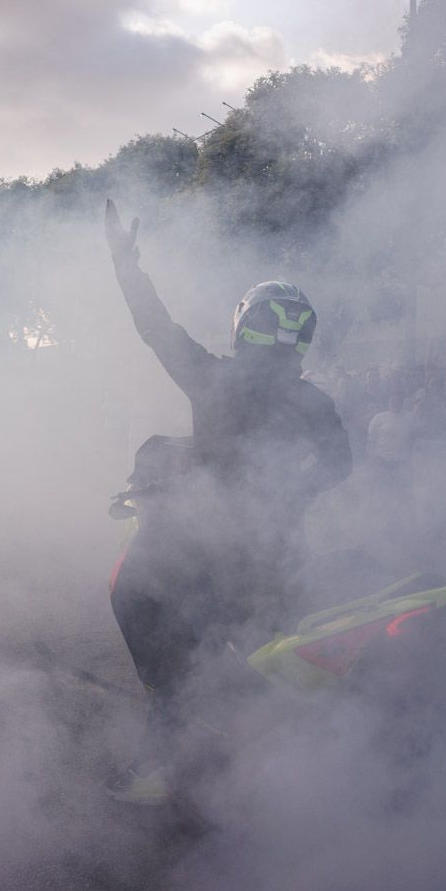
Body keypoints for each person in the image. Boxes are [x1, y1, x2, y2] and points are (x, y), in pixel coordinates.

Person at [102, 199, 352, 804]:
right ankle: (276, 758)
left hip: (202, 556)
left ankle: (189, 748)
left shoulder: (215, 379)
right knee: (255, 656)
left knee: (138, 605)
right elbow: (340, 467)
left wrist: (125, 267)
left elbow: (155, 327)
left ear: (245, 325)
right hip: (273, 558)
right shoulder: (315, 403)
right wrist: (285, 502)